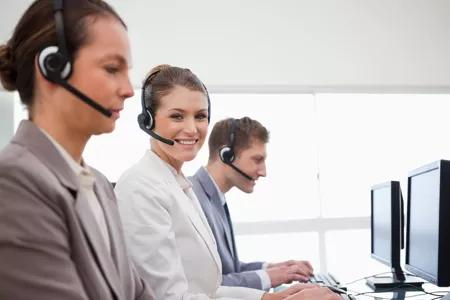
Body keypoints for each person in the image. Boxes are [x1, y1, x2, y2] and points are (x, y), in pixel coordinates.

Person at [114, 64, 341, 300]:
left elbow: (208, 290)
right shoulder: (140, 188)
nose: (192, 129)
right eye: (177, 116)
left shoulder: (179, 185)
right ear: (148, 120)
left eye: (200, 116)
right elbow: (168, 298)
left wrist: (271, 298)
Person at [0, 0, 154, 299]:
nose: (128, 89)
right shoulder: (12, 182)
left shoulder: (98, 185)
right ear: (52, 67)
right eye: (112, 68)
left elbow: (136, 292)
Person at [188, 117, 314, 291]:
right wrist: (269, 277)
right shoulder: (192, 199)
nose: (263, 172)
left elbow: (227, 270)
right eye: (257, 159)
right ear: (226, 155)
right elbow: (204, 286)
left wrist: (273, 268)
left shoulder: (214, 198)